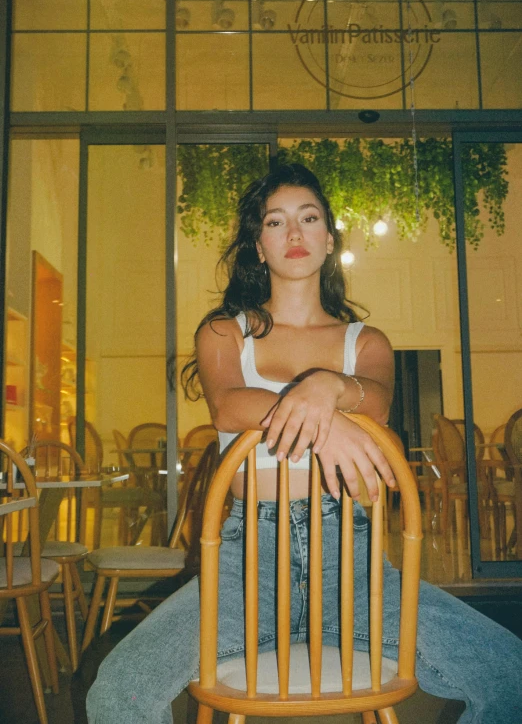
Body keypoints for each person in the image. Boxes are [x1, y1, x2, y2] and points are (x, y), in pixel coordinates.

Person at [87, 163, 522, 724]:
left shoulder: (365, 342)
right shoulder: (225, 332)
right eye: (276, 221)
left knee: (509, 675)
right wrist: (329, 417)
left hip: (354, 563)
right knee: (116, 694)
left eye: (308, 218)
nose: (294, 233)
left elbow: (378, 402)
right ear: (259, 246)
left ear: (329, 240)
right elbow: (228, 405)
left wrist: (328, 385)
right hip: (246, 566)